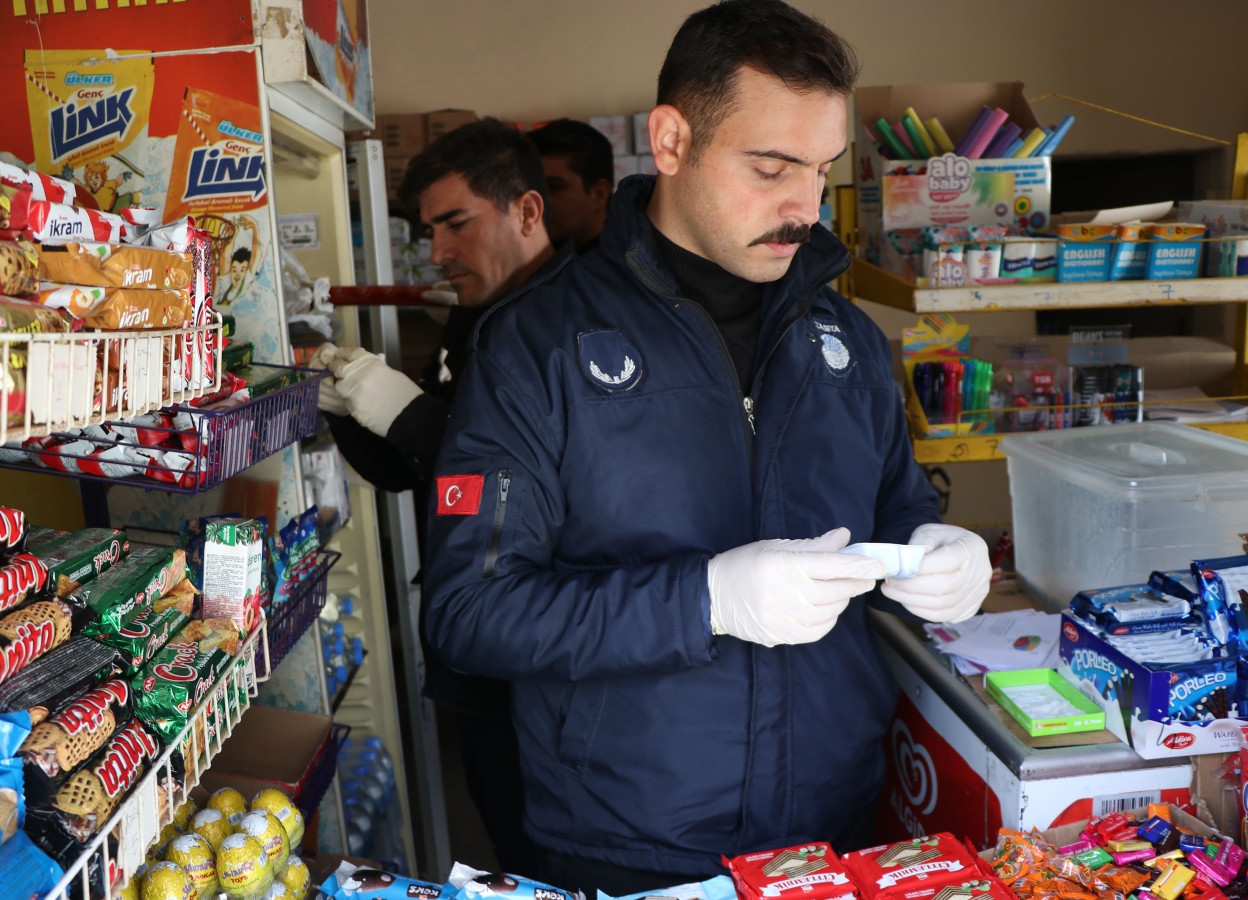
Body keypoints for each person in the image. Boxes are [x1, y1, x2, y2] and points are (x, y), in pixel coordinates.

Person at [420, 2, 991, 895]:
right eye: (770, 167)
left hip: (838, 822)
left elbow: (897, 504)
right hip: (631, 844)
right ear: (673, 140)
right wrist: (705, 601)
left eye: (822, 169)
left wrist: (936, 553)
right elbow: (471, 613)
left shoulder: (844, 339)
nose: (805, 205)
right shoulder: (536, 345)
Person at [316, 116, 566, 877]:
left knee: (545, 852)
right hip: (479, 644)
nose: (439, 252)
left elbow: (530, 486)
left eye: (456, 224)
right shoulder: (481, 315)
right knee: (505, 842)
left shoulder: (568, 325)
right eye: (429, 231)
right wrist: (347, 407)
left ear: (526, 212)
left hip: (544, 659)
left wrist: (406, 412)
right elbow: (413, 469)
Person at [527, 119, 614, 253]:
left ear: (599, 195)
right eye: (532, 188)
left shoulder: (626, 266)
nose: (537, 202)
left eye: (553, 187)